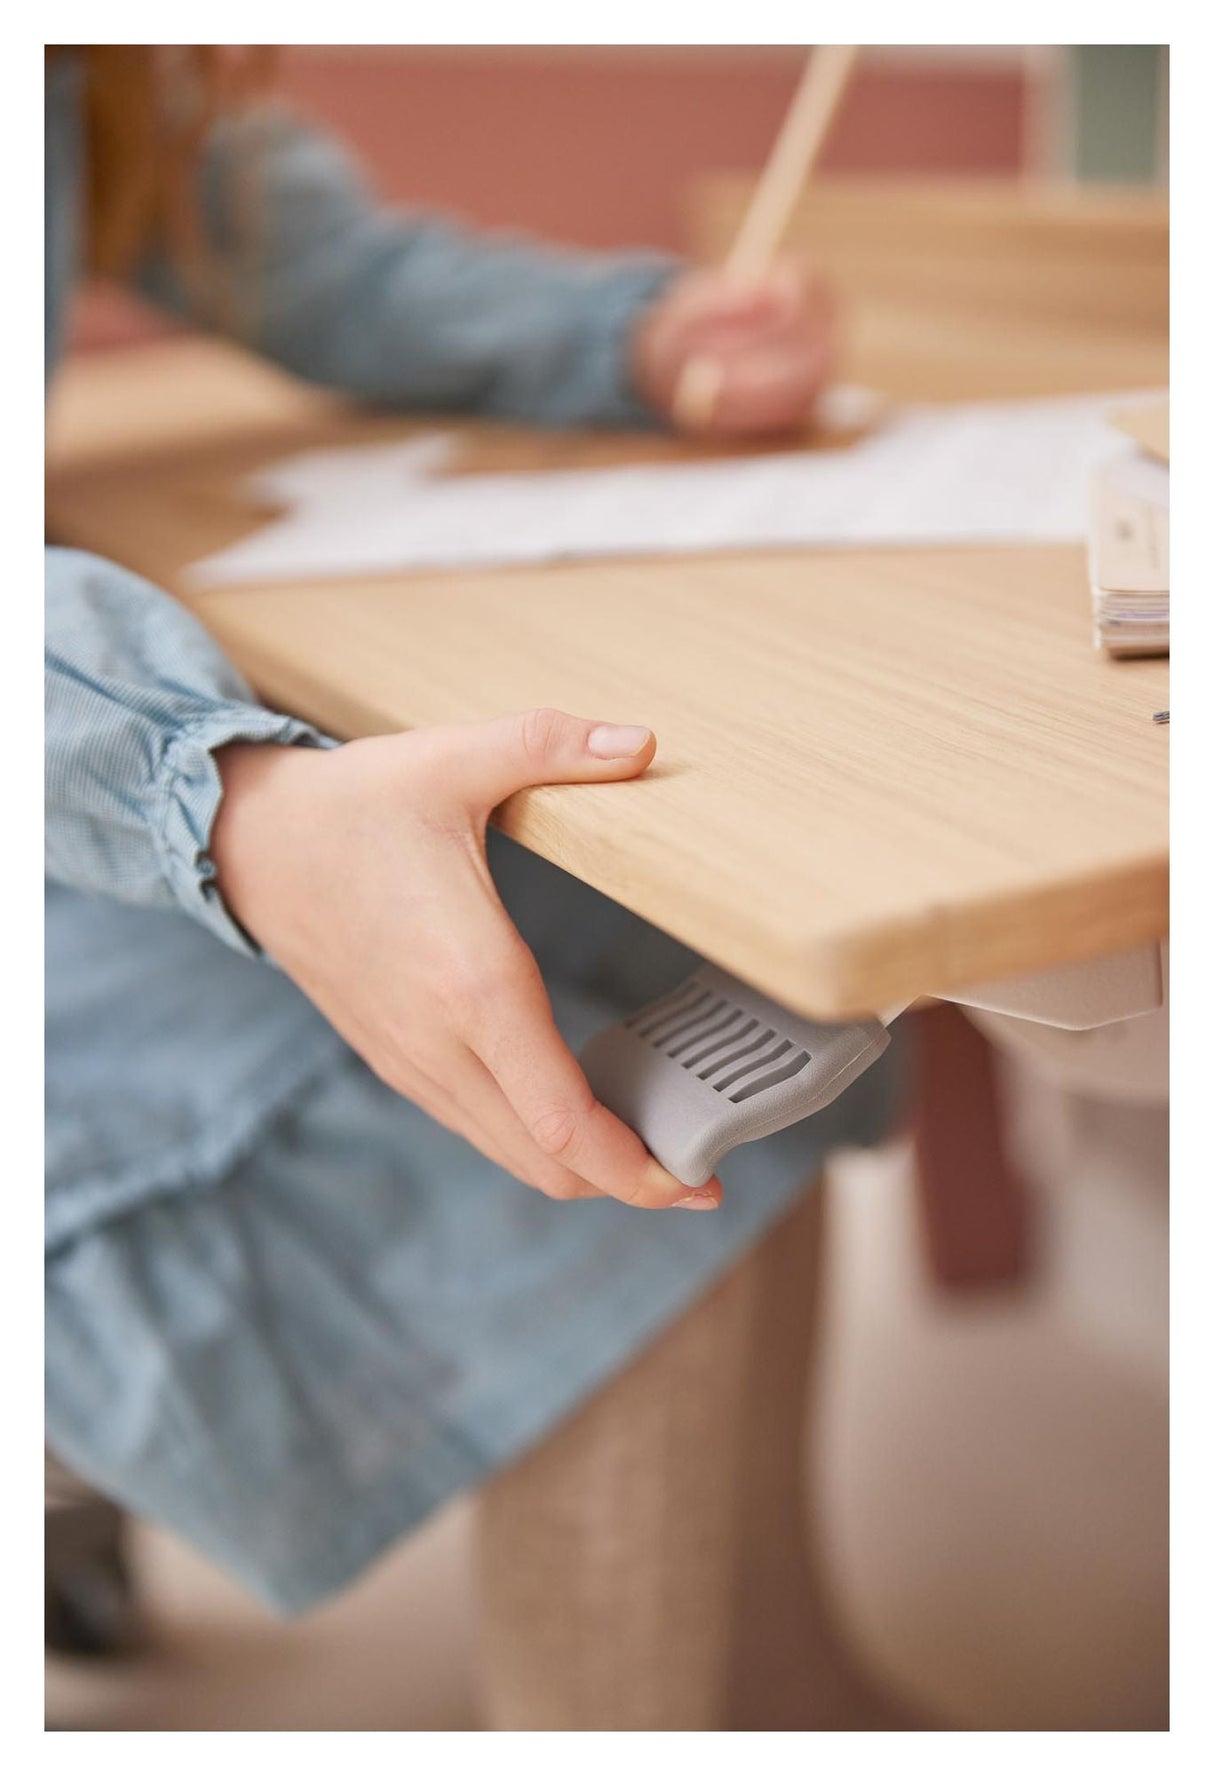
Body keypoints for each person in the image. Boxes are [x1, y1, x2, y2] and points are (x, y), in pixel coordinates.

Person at [45, 47, 903, 1728]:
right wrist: (214, 801)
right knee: (535, 1123)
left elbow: (311, 261)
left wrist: (635, 337)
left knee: (676, 962)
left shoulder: (95, 73)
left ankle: (789, 1697)